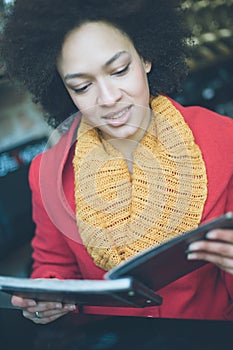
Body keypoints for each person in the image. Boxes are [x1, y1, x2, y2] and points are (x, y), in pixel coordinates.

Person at [1, 0, 233, 324]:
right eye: (82, 86)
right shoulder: (48, 173)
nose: (108, 99)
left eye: (120, 70)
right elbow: (52, 266)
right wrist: (46, 298)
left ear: (146, 55)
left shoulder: (224, 140)